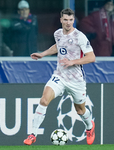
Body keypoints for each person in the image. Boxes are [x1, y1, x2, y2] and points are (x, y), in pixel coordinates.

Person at [23, 8, 96, 146]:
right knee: (44, 100)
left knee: (80, 110)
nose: (68, 23)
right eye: (65, 20)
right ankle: (32, 134)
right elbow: (58, 46)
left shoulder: (79, 36)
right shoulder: (57, 33)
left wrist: (72, 62)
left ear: (73, 20)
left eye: (70, 20)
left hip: (76, 80)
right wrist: (43, 54)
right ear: (61, 20)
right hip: (60, 76)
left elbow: (91, 57)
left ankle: (89, 127)